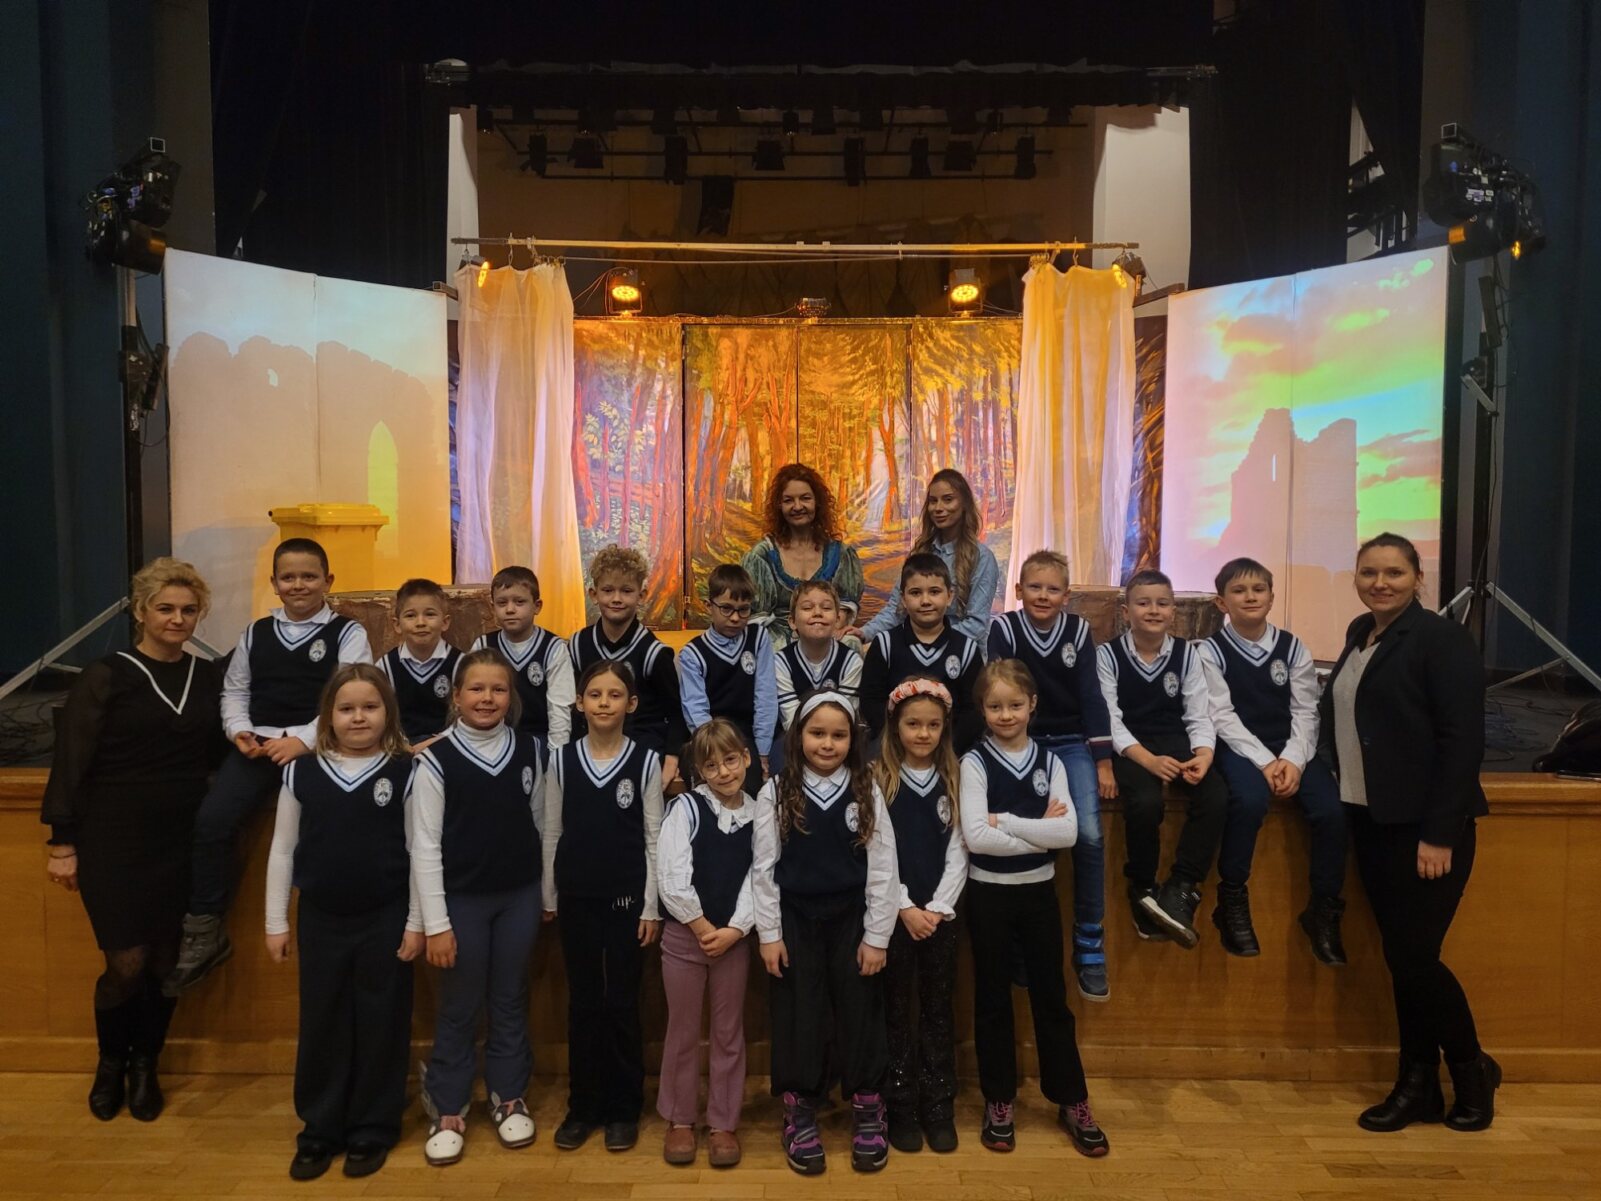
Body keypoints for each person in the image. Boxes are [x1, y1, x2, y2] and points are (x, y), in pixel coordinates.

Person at [1321, 533, 1496, 1133]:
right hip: (1370, 820)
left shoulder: (1441, 640)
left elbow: (1462, 742)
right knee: (1403, 961)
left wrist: (1440, 833)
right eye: (1369, 572)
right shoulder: (1360, 633)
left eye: (1394, 572)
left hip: (1426, 831)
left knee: (1416, 959)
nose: (1380, 583)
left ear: (1418, 578)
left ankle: (1473, 1071)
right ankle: (1417, 1085)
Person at [42, 557, 225, 1122]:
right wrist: (62, 842)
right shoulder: (107, 674)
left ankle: (147, 1065)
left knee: (167, 963)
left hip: (182, 838)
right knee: (125, 962)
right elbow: (71, 760)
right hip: (113, 838)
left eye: (188, 610)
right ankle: (110, 1065)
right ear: (141, 611)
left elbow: (220, 752)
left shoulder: (208, 677)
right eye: (165, 608)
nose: (177, 619)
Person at [164, 537, 372, 995]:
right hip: (258, 747)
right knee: (212, 820)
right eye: (288, 577)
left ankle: (342, 917)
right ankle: (204, 928)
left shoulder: (348, 633)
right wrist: (239, 730)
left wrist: (302, 741)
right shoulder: (256, 633)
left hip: (320, 747)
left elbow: (351, 697)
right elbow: (235, 690)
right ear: (274, 583)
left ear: (328, 581)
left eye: (309, 576)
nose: (299, 585)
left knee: (334, 826)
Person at [264, 665, 422, 1181]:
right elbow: (282, 850)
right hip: (321, 918)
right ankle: (320, 1128)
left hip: (386, 916)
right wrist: (275, 921)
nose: (359, 717)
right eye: (347, 708)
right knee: (323, 1021)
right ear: (327, 716)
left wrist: (416, 921)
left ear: (387, 714)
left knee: (382, 1021)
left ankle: (373, 1127)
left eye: (370, 707)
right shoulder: (302, 772)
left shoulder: (405, 771)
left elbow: (419, 851)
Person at [959, 660, 1107, 1157]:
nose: (1006, 715)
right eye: (995, 706)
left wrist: (1004, 821)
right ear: (982, 709)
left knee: (1051, 1000)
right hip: (988, 895)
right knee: (993, 1001)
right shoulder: (973, 763)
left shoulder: (1052, 761)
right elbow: (975, 838)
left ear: (1033, 705)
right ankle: (999, 1100)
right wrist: (1036, 828)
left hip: (1039, 894)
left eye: (1015, 705)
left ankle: (1071, 1099)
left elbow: (1067, 834)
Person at [407, 649, 546, 1166]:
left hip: (519, 897)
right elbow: (424, 847)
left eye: (498, 689)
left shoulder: (531, 750)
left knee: (509, 997)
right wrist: (436, 924)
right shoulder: (434, 760)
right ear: (456, 695)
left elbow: (541, 824)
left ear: (511, 697)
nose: (487, 698)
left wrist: (546, 894)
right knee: (460, 1003)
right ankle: (448, 1105)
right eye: (477, 689)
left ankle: (509, 1095)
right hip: (460, 902)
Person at [752, 691, 899, 1175]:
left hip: (852, 917)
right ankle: (800, 1109)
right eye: (817, 733)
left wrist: (877, 936)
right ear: (798, 737)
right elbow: (764, 869)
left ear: (853, 739)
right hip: (795, 918)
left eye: (838, 735)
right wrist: (769, 933)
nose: (828, 743)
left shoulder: (866, 788)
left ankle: (868, 1104)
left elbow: (883, 867)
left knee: (860, 1010)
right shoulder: (776, 791)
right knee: (799, 1012)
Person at [543, 660, 665, 1154]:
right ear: (579, 703)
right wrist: (549, 894)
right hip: (577, 900)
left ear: (630, 704)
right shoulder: (560, 761)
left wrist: (651, 907)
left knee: (622, 1003)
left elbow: (653, 838)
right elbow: (552, 831)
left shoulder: (646, 762)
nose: (604, 703)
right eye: (594, 694)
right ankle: (583, 1106)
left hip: (627, 902)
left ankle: (623, 1107)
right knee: (585, 1002)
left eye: (614, 695)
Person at [1199, 558, 1347, 963]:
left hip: (1292, 747)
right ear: (1221, 602)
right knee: (1248, 801)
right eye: (1239, 591)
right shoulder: (1209, 652)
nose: (1250, 597)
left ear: (1271, 597)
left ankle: (1323, 908)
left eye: (1258, 589)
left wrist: (1294, 761)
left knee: (1332, 811)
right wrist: (1266, 763)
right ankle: (1231, 899)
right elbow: (1221, 716)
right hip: (1240, 748)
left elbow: (1306, 711)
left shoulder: (1293, 648)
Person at [987, 549, 1115, 1001]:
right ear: (1019, 590)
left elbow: (1091, 695)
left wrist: (1102, 760)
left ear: (1067, 594)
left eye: (1053, 589)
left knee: (1089, 834)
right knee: (1020, 832)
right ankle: (1019, 940)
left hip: (1070, 742)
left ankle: (1089, 940)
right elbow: (998, 691)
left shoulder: (1078, 631)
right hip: (1019, 743)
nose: (1043, 595)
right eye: (1035, 587)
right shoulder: (1004, 629)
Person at [1097, 569, 1226, 949]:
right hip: (1132, 746)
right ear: (1126, 611)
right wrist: (1149, 761)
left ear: (1173, 611)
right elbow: (1110, 720)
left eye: (1162, 603)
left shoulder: (1187, 655)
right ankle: (1142, 889)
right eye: (1143, 603)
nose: (1153, 610)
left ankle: (1181, 886)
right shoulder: (1107, 655)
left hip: (1176, 740)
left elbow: (1198, 715)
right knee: (1145, 801)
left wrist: (1203, 755)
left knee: (1216, 795)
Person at [655, 719, 758, 1169]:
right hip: (685, 937)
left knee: (728, 1032)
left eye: (730, 760)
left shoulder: (759, 813)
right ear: (698, 770)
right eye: (711, 766)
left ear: (746, 759)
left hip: (733, 940)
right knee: (682, 1031)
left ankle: (723, 1121)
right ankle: (680, 1118)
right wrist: (700, 927)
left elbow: (761, 877)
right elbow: (671, 875)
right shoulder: (686, 809)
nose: (723, 772)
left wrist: (735, 929)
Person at [873, 678, 967, 1155]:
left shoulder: (956, 777)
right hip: (893, 916)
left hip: (940, 917)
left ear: (945, 727)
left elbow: (960, 847)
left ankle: (937, 1103)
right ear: (896, 726)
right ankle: (900, 1104)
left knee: (937, 1009)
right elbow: (877, 852)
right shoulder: (878, 779)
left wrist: (938, 907)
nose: (923, 733)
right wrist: (905, 906)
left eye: (933, 725)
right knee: (895, 1008)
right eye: (913, 724)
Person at [569, 544, 689, 787]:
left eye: (626, 591)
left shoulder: (654, 653)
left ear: (641, 596)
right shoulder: (578, 646)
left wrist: (671, 757)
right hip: (590, 741)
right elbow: (570, 708)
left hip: (641, 744)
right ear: (594, 594)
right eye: (608, 590)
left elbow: (675, 712)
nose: (616, 599)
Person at [858, 468, 999, 644]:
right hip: (917, 649)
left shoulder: (982, 558)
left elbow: (976, 626)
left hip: (961, 652)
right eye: (933, 501)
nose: (938, 508)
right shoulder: (921, 552)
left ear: (964, 504)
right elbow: (896, 610)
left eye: (948, 499)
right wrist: (863, 633)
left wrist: (928, 640)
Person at [859, 553, 984, 752]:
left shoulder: (967, 649)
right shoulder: (885, 644)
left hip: (950, 751)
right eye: (916, 593)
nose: (925, 601)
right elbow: (870, 702)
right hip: (893, 748)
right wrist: (899, 740)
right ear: (903, 598)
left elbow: (973, 712)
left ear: (949, 596)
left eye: (934, 592)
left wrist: (945, 747)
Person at [678, 563, 777, 798]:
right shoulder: (693, 653)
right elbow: (696, 711)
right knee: (707, 791)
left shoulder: (758, 638)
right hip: (707, 737)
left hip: (746, 736)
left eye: (743, 610)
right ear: (708, 606)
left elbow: (765, 697)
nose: (735, 618)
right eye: (726, 609)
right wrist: (715, 753)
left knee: (750, 789)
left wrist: (763, 751)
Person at [742, 462, 865, 648]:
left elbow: (844, 608)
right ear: (779, 506)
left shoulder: (839, 554)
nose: (797, 506)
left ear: (817, 502)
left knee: (850, 643)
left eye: (805, 498)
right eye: (788, 500)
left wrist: (821, 634)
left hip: (825, 632)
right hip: (778, 636)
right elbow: (757, 618)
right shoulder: (763, 555)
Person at [472, 565, 574, 748]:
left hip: (539, 739)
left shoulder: (554, 648)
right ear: (493, 607)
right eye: (502, 603)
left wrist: (557, 756)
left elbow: (559, 710)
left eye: (519, 602)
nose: (510, 609)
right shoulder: (483, 646)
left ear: (537, 606)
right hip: (491, 738)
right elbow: (468, 700)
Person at [773, 579, 863, 775]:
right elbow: (790, 719)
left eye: (826, 608)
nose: (817, 613)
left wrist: (825, 738)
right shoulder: (780, 662)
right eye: (807, 608)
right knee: (779, 757)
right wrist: (814, 738)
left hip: (837, 740)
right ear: (792, 621)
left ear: (837, 619)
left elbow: (846, 716)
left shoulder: (851, 661)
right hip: (794, 740)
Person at [377, 577, 461, 743]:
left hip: (447, 744)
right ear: (397, 625)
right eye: (410, 616)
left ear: (445, 622)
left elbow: (466, 715)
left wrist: (437, 741)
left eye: (430, 614)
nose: (420, 623)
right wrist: (401, 744)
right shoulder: (385, 667)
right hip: (400, 746)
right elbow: (380, 714)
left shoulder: (461, 664)